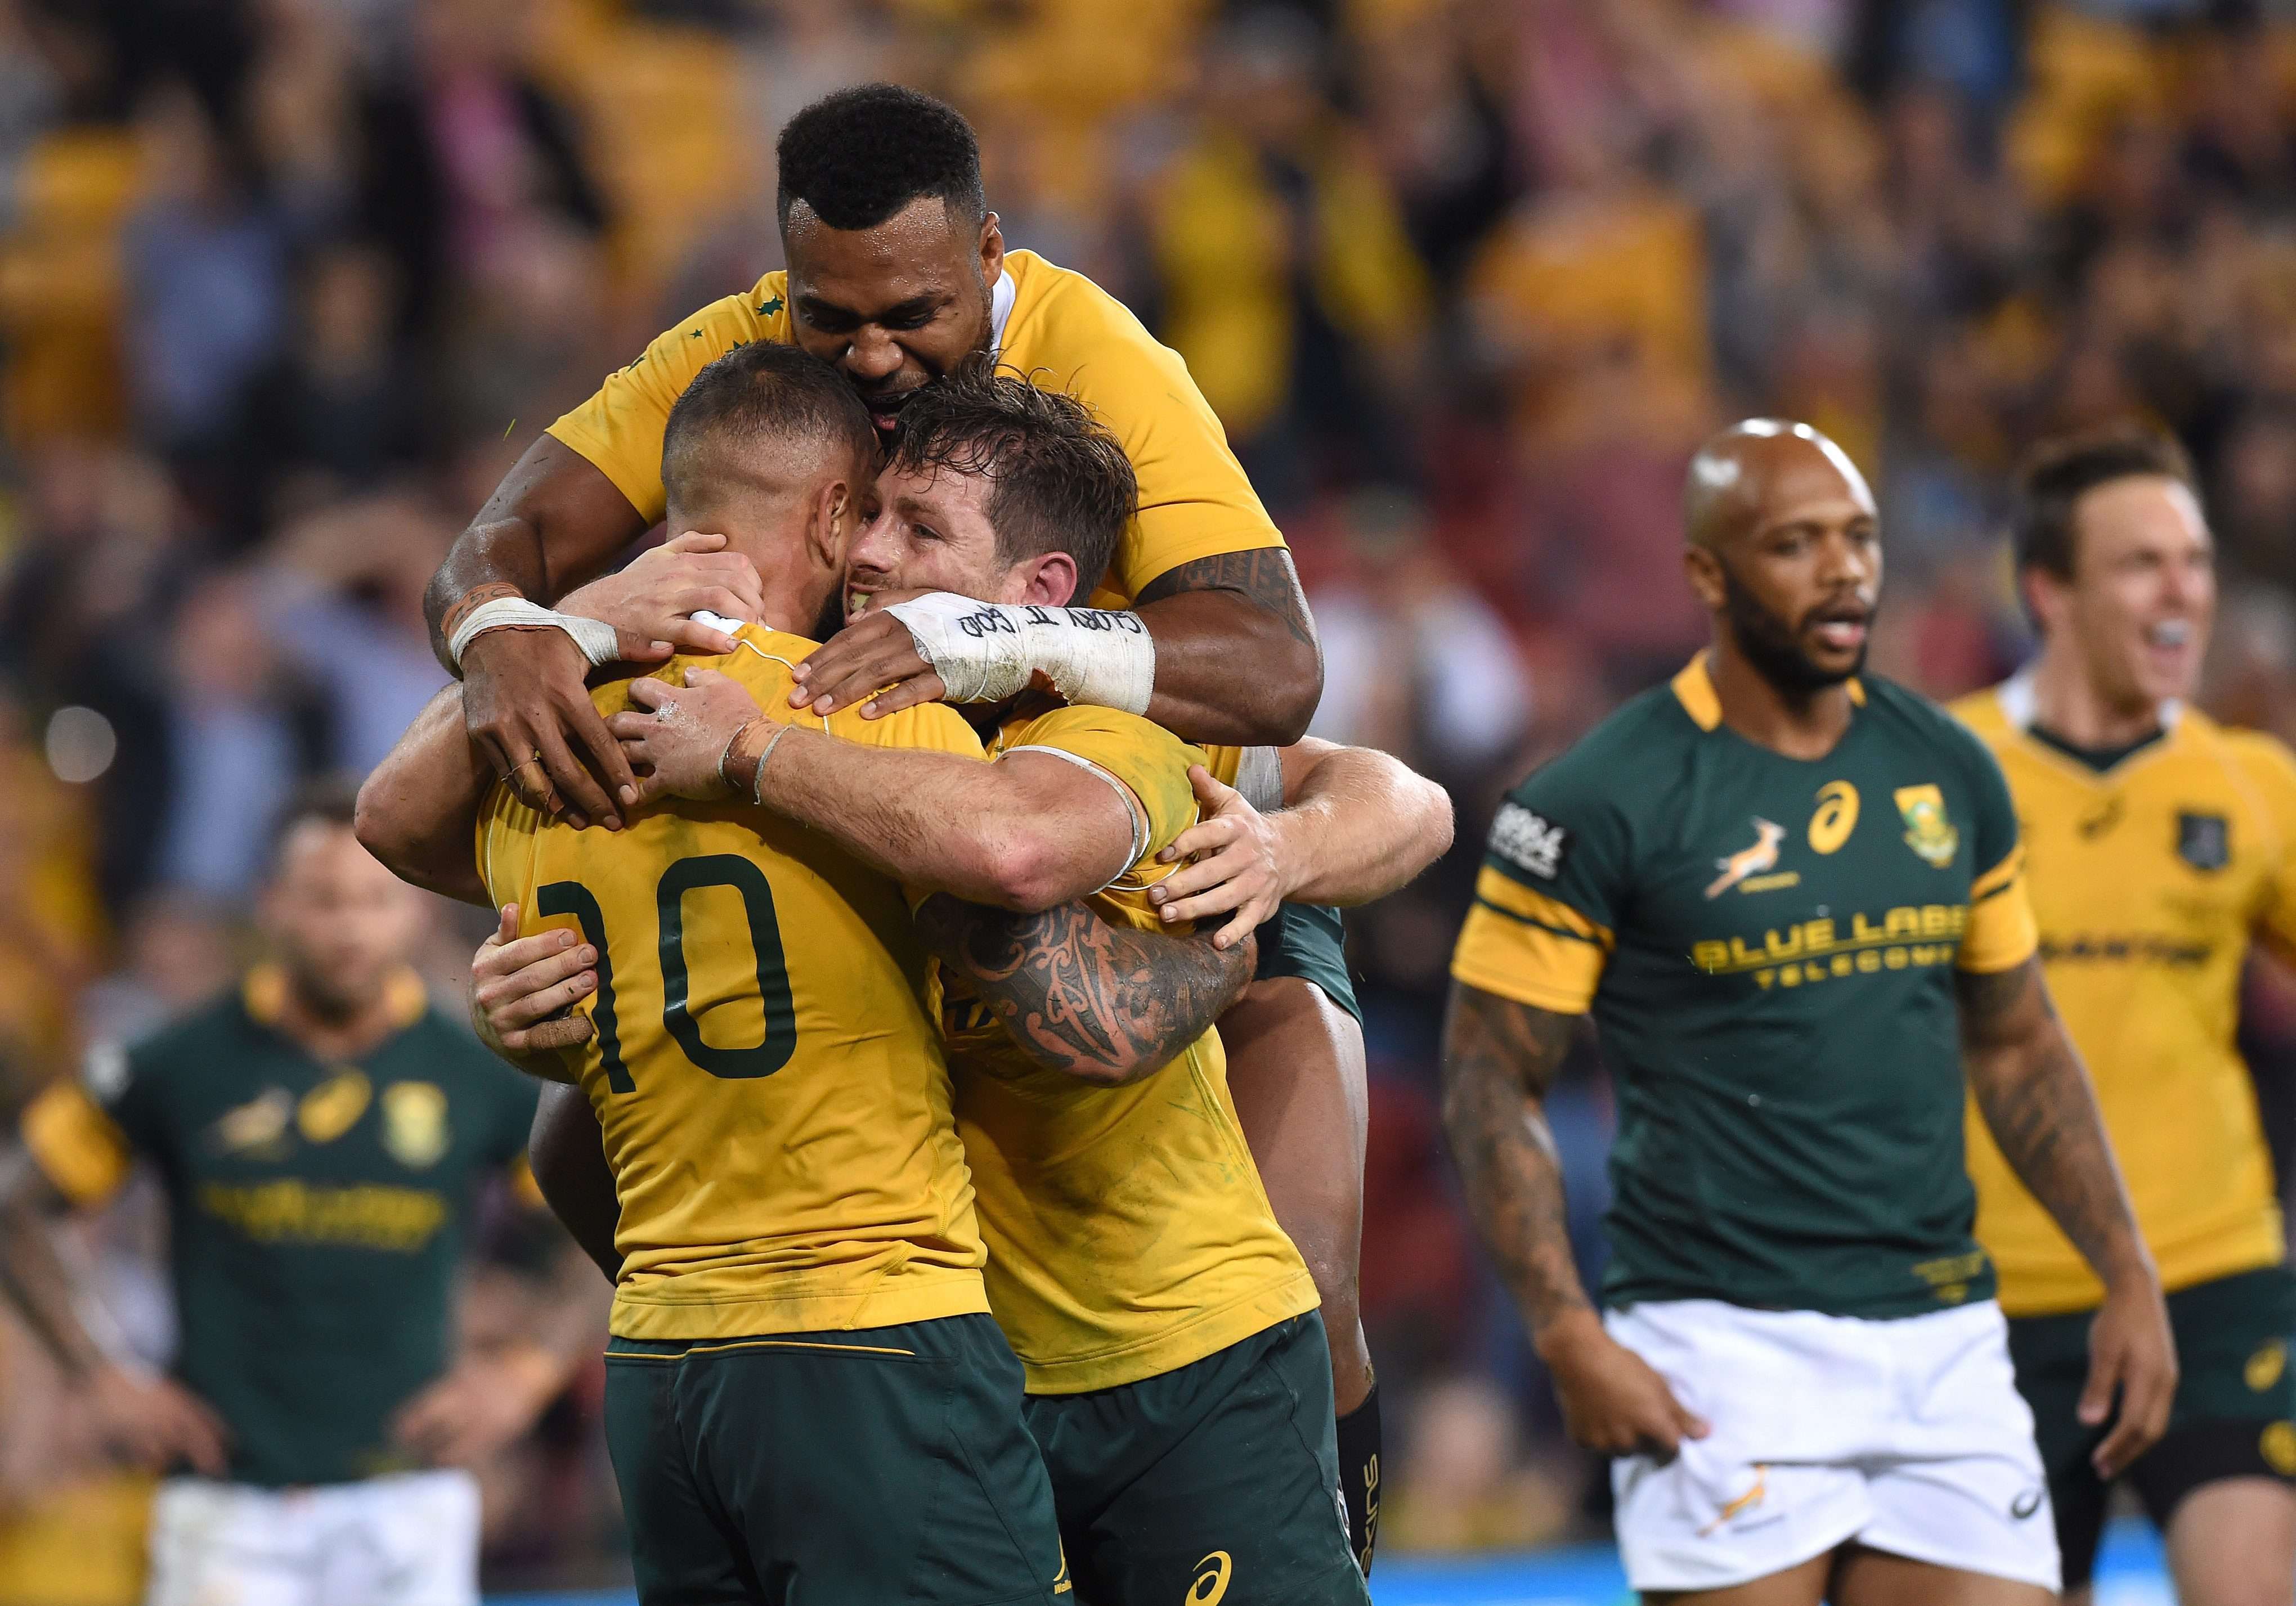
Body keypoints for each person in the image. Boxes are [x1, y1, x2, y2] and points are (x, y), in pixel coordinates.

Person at [424, 81, 1388, 1561]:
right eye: (832, 319)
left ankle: (1312, 1515)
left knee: (1299, 1273)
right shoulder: (736, 348)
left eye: (917, 313)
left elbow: (1279, 670)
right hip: (878, 830)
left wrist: (1008, 654)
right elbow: (491, 556)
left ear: (993, 255)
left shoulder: (1096, 348)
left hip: (1114, 828)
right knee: (574, 1148)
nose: (872, 353)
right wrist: (512, 628)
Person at [355, 342, 1254, 1605]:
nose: (878, 556)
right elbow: (1013, 846)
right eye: (873, 515)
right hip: (876, 1333)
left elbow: (388, 820)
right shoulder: (878, 723)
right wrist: (1232, 935)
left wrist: (577, 620)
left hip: (663, 1364)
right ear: (832, 513)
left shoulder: (536, 746)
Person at [575, 358, 1444, 1600]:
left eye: (919, 528)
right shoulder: (797, 725)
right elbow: (584, 1130)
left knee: (1322, 1260)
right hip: (938, 1381)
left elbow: (1410, 801)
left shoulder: (1103, 731)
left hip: (1172, 1360)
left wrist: (1280, 853)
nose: (868, 553)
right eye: (867, 513)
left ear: (1037, 595)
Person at [1438, 419, 2177, 1604]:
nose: (1845, 571)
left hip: (1942, 1335)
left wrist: (2126, 1269)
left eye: (1861, 539)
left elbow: (2020, 1038)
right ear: (1708, 577)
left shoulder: (1948, 769)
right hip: (1720, 1348)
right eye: (1796, 544)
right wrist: (1567, 1330)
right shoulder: (1597, 799)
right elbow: (1487, 1075)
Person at [0, 780, 603, 1606]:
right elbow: (21, 1204)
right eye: (322, 900)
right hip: (226, 1503)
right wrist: (100, 1373)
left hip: (411, 1497)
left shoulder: (476, 1070)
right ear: (271, 904)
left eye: (373, 901)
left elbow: (595, 1215)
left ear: (415, 912)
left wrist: (527, 1372)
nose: (349, 927)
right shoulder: (178, 1062)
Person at [1954, 427, 2296, 1606]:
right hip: (1991, 1298)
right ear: (2049, 591)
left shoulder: (2251, 781)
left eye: (2194, 561)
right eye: (2143, 562)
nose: (2183, 591)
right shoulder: (1939, 771)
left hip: (2212, 1269)